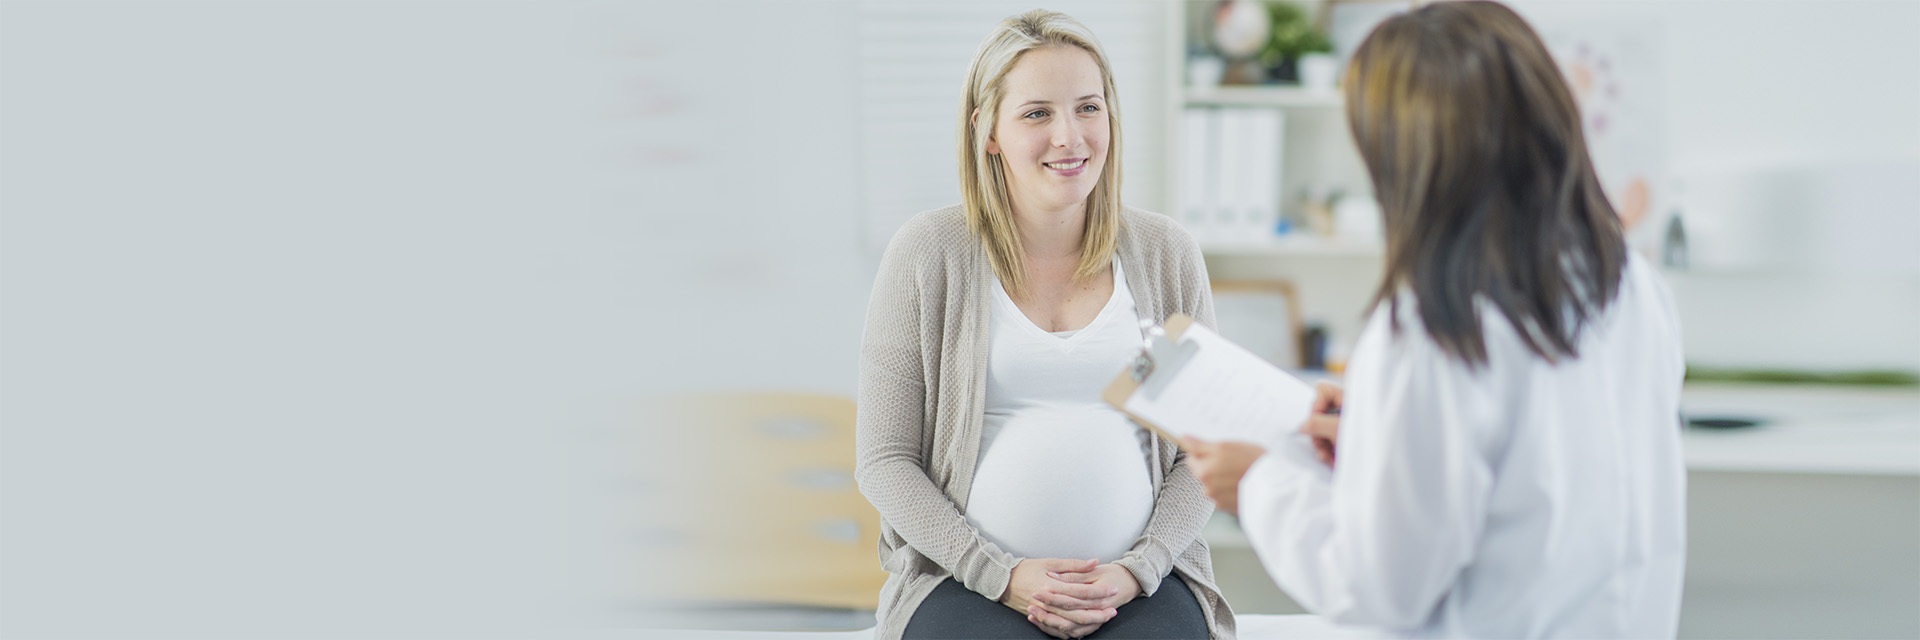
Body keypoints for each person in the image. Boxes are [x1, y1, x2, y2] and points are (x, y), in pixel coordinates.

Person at [1182, 2, 1687, 638]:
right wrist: (1377, 442)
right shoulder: (1629, 285)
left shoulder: (1436, 322)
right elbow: (1534, 476)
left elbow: (1378, 587)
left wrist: (1257, 485)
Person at [854, 9, 1234, 640]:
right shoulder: (930, 254)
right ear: (989, 131)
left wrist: (1141, 568)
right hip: (966, 581)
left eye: (1089, 107)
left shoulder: (1161, 258)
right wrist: (999, 573)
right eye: (1037, 113)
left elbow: (1200, 448)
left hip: (1142, 584)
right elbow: (887, 461)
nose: (1070, 136)